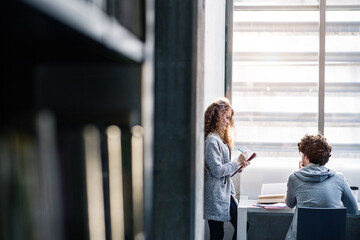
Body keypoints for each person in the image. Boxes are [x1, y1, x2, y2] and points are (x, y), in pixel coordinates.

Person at [285, 134, 358, 239]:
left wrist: (301, 171)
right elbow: (353, 209)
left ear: (306, 157)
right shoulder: (339, 178)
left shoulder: (294, 177)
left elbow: (290, 204)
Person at [204, 97, 250, 240]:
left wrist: (238, 166)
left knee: (239, 226)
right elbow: (217, 171)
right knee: (218, 234)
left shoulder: (219, 139)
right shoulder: (212, 140)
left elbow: (223, 169)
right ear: (217, 115)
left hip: (224, 194)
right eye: (226, 117)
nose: (228, 122)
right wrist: (236, 163)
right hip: (215, 195)